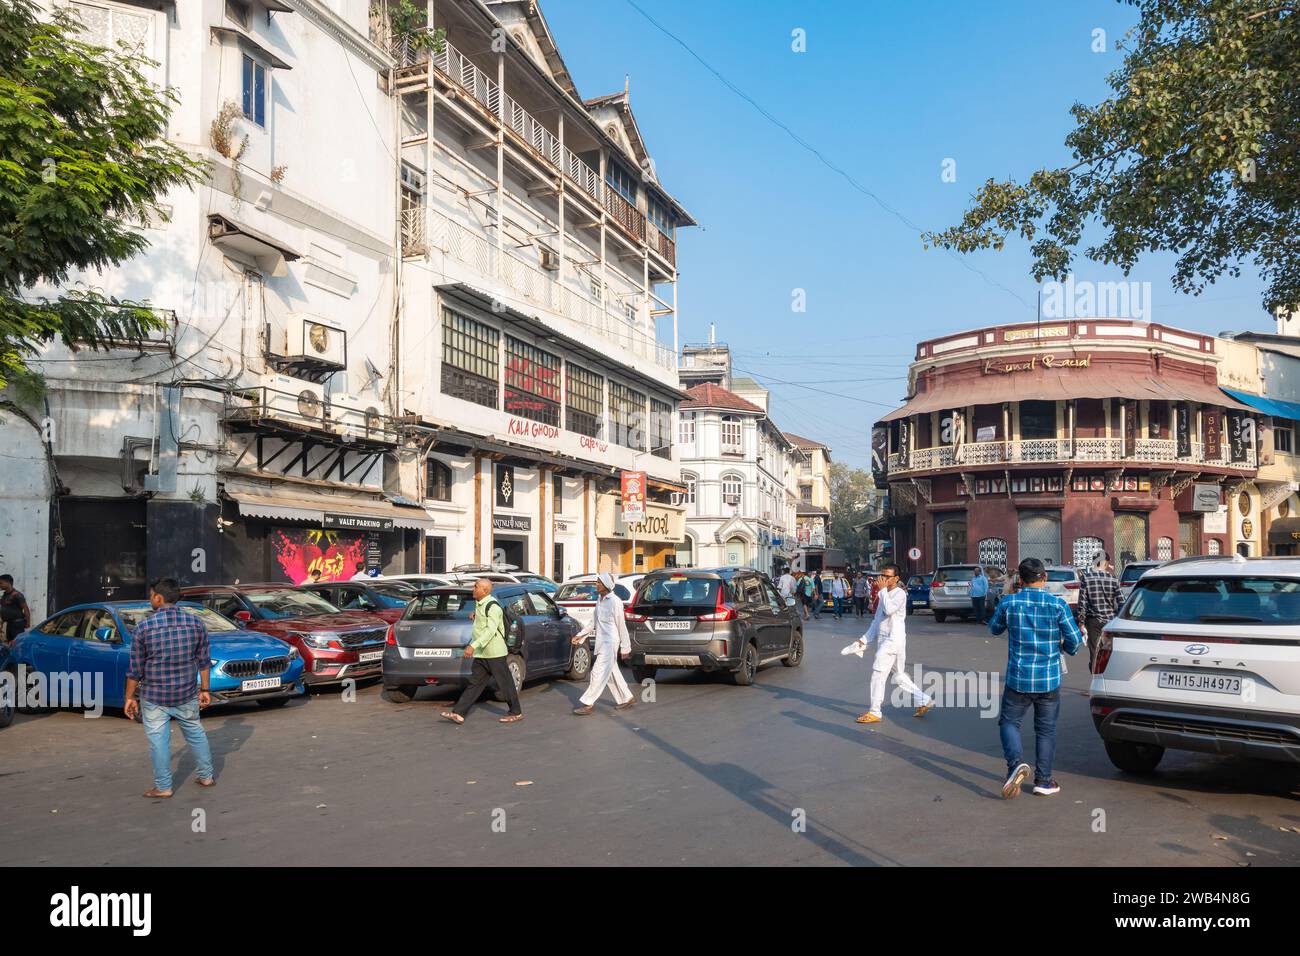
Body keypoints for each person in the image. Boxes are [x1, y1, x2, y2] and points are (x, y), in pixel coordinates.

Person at [988, 557, 1084, 799]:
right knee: (1046, 730)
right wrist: (1065, 647)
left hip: (1018, 677)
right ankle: (1044, 780)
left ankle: (1015, 766)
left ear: (1020, 580)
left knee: (1009, 723)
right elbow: (1074, 641)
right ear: (1045, 578)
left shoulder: (1009, 603)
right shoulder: (1057, 605)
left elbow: (994, 628)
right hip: (1048, 679)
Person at [123, 578, 216, 799]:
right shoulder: (196, 623)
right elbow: (204, 661)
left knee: (158, 742)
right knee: (196, 733)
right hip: (186, 693)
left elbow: (135, 669)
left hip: (154, 696)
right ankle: (207, 776)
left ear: (158, 597)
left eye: (151, 594)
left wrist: (129, 697)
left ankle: (163, 787)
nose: (150, 598)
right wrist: (205, 690)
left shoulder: (144, 627)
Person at [851, 563, 933, 723]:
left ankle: (875, 711)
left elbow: (889, 610)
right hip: (885, 640)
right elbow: (877, 621)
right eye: (881, 576)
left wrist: (882, 591)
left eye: (887, 576)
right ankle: (924, 699)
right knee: (898, 676)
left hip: (892, 641)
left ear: (896, 578)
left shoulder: (899, 594)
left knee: (878, 673)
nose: (882, 579)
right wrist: (864, 639)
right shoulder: (884, 595)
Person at [442, 578, 523, 724]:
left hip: (495, 653)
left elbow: (490, 630)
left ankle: (516, 712)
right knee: (475, 683)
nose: (473, 589)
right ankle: (459, 713)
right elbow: (483, 624)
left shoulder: (493, 607)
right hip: (483, 653)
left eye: (476, 587)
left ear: (484, 591)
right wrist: (476, 616)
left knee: (505, 684)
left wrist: (473, 645)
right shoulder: (480, 605)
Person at [571, 572, 635, 715]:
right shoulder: (600, 600)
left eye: (599, 582)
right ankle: (627, 697)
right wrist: (580, 635)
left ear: (606, 585)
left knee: (597, 672)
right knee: (612, 673)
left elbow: (621, 625)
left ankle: (588, 703)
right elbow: (594, 621)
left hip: (610, 642)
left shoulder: (615, 601)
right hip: (602, 641)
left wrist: (626, 647)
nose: (596, 584)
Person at [1077, 552, 1121, 672]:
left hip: (1093, 622)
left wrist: (1081, 622)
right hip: (1110, 622)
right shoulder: (1113, 579)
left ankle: (1095, 681)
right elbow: (1121, 602)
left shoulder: (1086, 578)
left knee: (1094, 653)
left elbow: (1082, 603)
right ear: (1106, 563)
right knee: (1109, 653)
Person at [0, 574, 31, 644]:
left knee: (18, 644)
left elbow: (26, 609)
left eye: (1, 583)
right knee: (10, 643)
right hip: (9, 624)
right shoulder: (5, 595)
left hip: (17, 625)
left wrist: (28, 622)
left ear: (8, 582)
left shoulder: (17, 595)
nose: (0, 585)